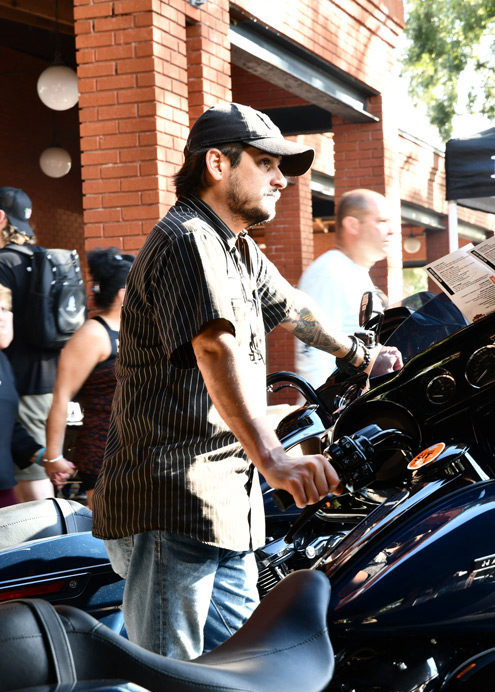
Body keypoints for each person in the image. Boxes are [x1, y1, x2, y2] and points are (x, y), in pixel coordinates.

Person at [92, 102, 397, 661]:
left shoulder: (235, 247)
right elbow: (215, 347)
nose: (282, 180)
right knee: (176, 678)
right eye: (266, 164)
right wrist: (273, 458)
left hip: (224, 505)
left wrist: (360, 354)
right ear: (217, 164)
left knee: (247, 673)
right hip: (174, 501)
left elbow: (293, 307)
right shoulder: (188, 239)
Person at [44, 247, 135, 509]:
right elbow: (61, 395)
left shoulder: (135, 330)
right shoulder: (93, 335)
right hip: (105, 453)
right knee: (113, 532)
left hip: (141, 451)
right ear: (123, 294)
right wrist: (53, 456)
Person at [295, 188, 394, 389]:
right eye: (381, 221)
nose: (391, 230)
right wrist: (327, 406)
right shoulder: (329, 273)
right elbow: (313, 355)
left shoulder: (353, 272)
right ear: (352, 225)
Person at [0, 187, 60, 501]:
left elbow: (3, 333)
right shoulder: (44, 258)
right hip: (52, 381)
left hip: (19, 384)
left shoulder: (3, 263)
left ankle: (51, 532)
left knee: (30, 478)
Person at [0, 284, 72, 507]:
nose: (1, 318)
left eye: (4, 309)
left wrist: (44, 457)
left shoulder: (3, 362)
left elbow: (7, 426)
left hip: (4, 488)